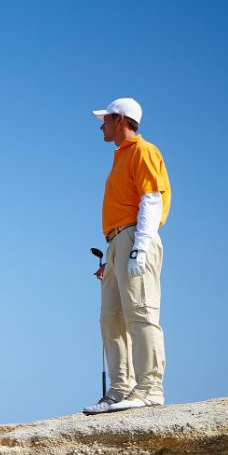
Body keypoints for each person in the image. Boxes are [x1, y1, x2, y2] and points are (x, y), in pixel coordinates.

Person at [83, 97, 171, 415]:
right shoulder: (120, 156)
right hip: (118, 241)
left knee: (141, 313)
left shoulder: (144, 151)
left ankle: (150, 388)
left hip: (136, 237)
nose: (101, 125)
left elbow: (151, 199)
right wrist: (113, 257)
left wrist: (138, 247)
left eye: (105, 119)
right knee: (111, 318)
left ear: (120, 120)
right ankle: (121, 389)